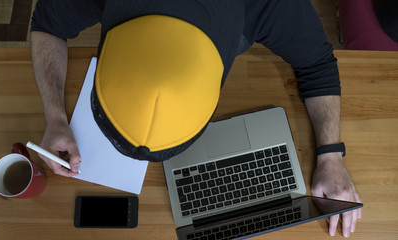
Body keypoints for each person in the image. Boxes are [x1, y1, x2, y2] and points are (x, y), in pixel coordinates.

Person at [30, 0, 362, 237]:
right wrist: (55, 117)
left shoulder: (268, 5)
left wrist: (331, 156)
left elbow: (317, 64)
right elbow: (46, 25)